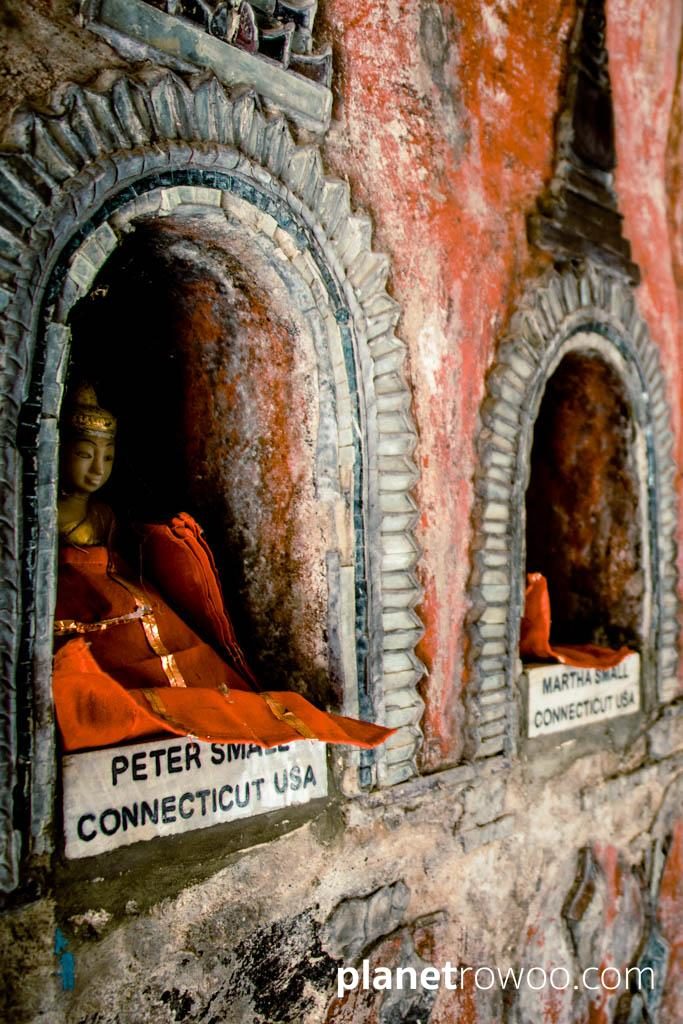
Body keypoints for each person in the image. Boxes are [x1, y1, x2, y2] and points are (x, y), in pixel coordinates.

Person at [53, 384, 394, 753]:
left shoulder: (103, 514)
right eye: (85, 454)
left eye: (107, 456)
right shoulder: (46, 516)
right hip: (78, 608)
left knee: (194, 663)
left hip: (126, 598)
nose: (97, 470)